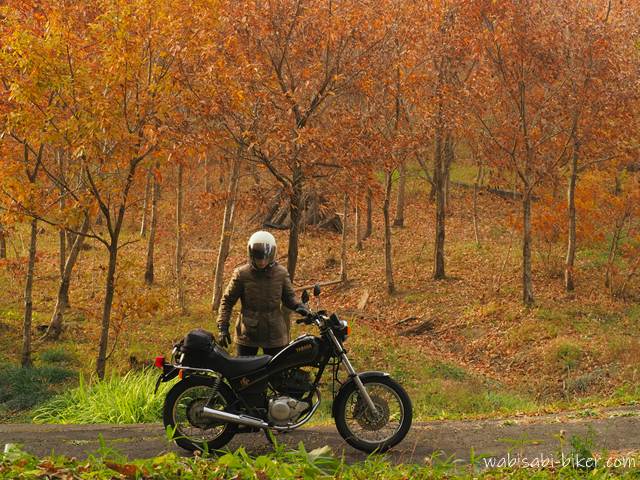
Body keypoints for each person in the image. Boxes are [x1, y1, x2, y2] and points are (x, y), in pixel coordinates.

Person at [216, 230, 309, 356]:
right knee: (245, 372)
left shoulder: (281, 274)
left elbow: (289, 299)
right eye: (258, 258)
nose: (261, 262)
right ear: (251, 255)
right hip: (247, 334)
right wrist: (223, 326)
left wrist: (300, 307)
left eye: (265, 258)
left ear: (271, 255)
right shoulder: (242, 274)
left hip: (274, 334)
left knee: (277, 372)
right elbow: (227, 301)